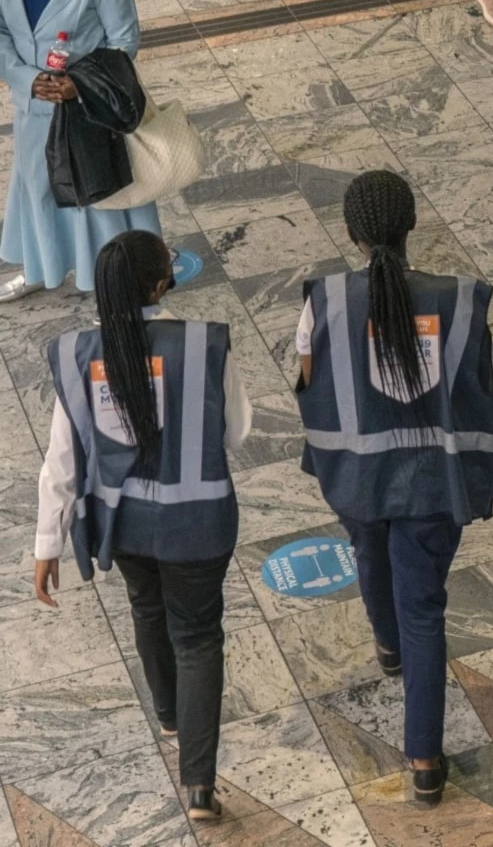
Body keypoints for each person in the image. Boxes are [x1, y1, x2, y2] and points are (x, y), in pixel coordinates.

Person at [295, 172, 493, 809]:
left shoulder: (325, 300)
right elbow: (482, 387)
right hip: (434, 486)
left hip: (357, 478)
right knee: (427, 611)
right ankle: (424, 762)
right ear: (411, 225)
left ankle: (384, 645)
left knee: (368, 557)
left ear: (351, 235)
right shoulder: (461, 298)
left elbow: (306, 380)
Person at [34, 228, 247, 825]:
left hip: (122, 527)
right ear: (163, 282)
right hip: (199, 522)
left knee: (147, 608)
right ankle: (200, 786)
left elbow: (62, 459)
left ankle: (169, 715)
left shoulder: (76, 354)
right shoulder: (203, 344)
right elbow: (237, 432)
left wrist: (47, 542)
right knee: (198, 637)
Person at [0, 0, 163, 298]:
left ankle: (113, 287)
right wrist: (25, 77)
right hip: (34, 104)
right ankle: (41, 268)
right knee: (38, 187)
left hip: (86, 108)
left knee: (98, 199)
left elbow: (123, 40)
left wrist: (80, 83)